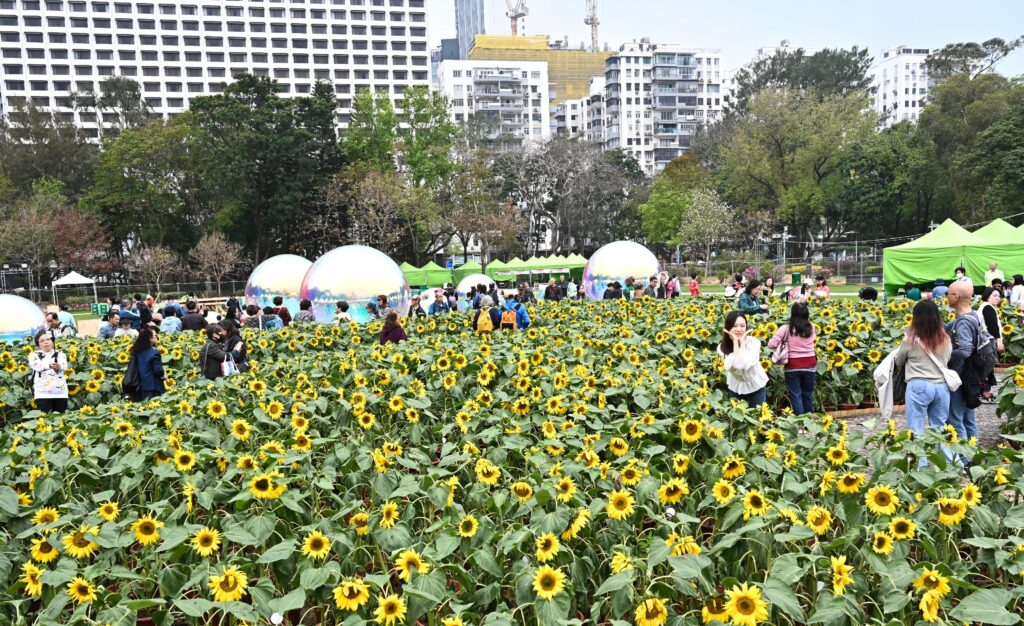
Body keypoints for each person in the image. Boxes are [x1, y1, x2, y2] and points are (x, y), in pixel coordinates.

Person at [895, 300, 953, 460]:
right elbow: (947, 360)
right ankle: (951, 465)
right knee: (940, 429)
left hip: (918, 385)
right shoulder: (946, 339)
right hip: (941, 387)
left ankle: (919, 468)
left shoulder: (911, 340)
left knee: (916, 429)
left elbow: (899, 361)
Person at [945, 281, 981, 444]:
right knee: (968, 419)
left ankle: (963, 460)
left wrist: (945, 355)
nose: (946, 297)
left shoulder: (963, 322)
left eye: (948, 293)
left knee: (955, 420)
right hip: (970, 375)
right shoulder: (973, 315)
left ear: (956, 296)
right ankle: (973, 457)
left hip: (960, 377)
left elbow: (966, 350)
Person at [767, 303, 817, 414]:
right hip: (810, 364)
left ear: (792, 314)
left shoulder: (786, 329)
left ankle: (800, 425)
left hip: (792, 365)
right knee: (807, 394)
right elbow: (812, 340)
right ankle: (808, 422)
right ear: (806, 313)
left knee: (796, 395)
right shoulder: (812, 327)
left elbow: (771, 345)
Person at [718, 311, 769, 408]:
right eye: (735, 326)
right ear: (728, 327)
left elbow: (745, 365)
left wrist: (742, 344)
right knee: (738, 420)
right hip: (736, 386)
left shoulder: (754, 343)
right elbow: (736, 367)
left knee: (757, 418)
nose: (739, 329)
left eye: (742, 326)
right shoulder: (721, 348)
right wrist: (736, 343)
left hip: (756, 385)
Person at [28, 330, 68, 413]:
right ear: (38, 344)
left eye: (48, 339)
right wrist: (49, 366)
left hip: (60, 393)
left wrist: (58, 367)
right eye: (42, 341)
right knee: (45, 419)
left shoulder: (61, 354)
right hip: (42, 393)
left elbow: (64, 365)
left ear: (52, 341)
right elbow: (37, 366)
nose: (46, 342)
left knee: (61, 418)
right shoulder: (33, 355)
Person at [977, 287, 1004, 402]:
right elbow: (992, 326)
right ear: (987, 296)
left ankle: (983, 392)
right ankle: (983, 392)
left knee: (987, 368)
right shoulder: (988, 307)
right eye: (994, 295)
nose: (997, 298)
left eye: (999, 296)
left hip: (985, 342)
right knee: (987, 367)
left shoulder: (985, 307)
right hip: (988, 342)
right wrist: (999, 341)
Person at [130, 328, 165, 401]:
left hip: (137, 386)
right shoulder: (154, 352)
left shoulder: (136, 351)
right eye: (155, 335)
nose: (156, 337)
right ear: (150, 338)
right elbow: (158, 370)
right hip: (152, 386)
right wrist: (163, 376)